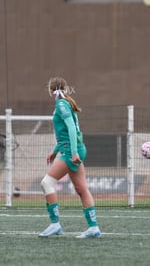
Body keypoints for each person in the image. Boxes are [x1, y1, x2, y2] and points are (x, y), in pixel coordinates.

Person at [39, 77, 101, 238]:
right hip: (75, 149)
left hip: (71, 152)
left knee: (47, 182)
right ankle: (93, 228)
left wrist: (73, 152)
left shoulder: (61, 104)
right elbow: (64, 133)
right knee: (82, 190)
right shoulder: (65, 102)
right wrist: (54, 151)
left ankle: (55, 224)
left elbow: (72, 129)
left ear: (51, 90)